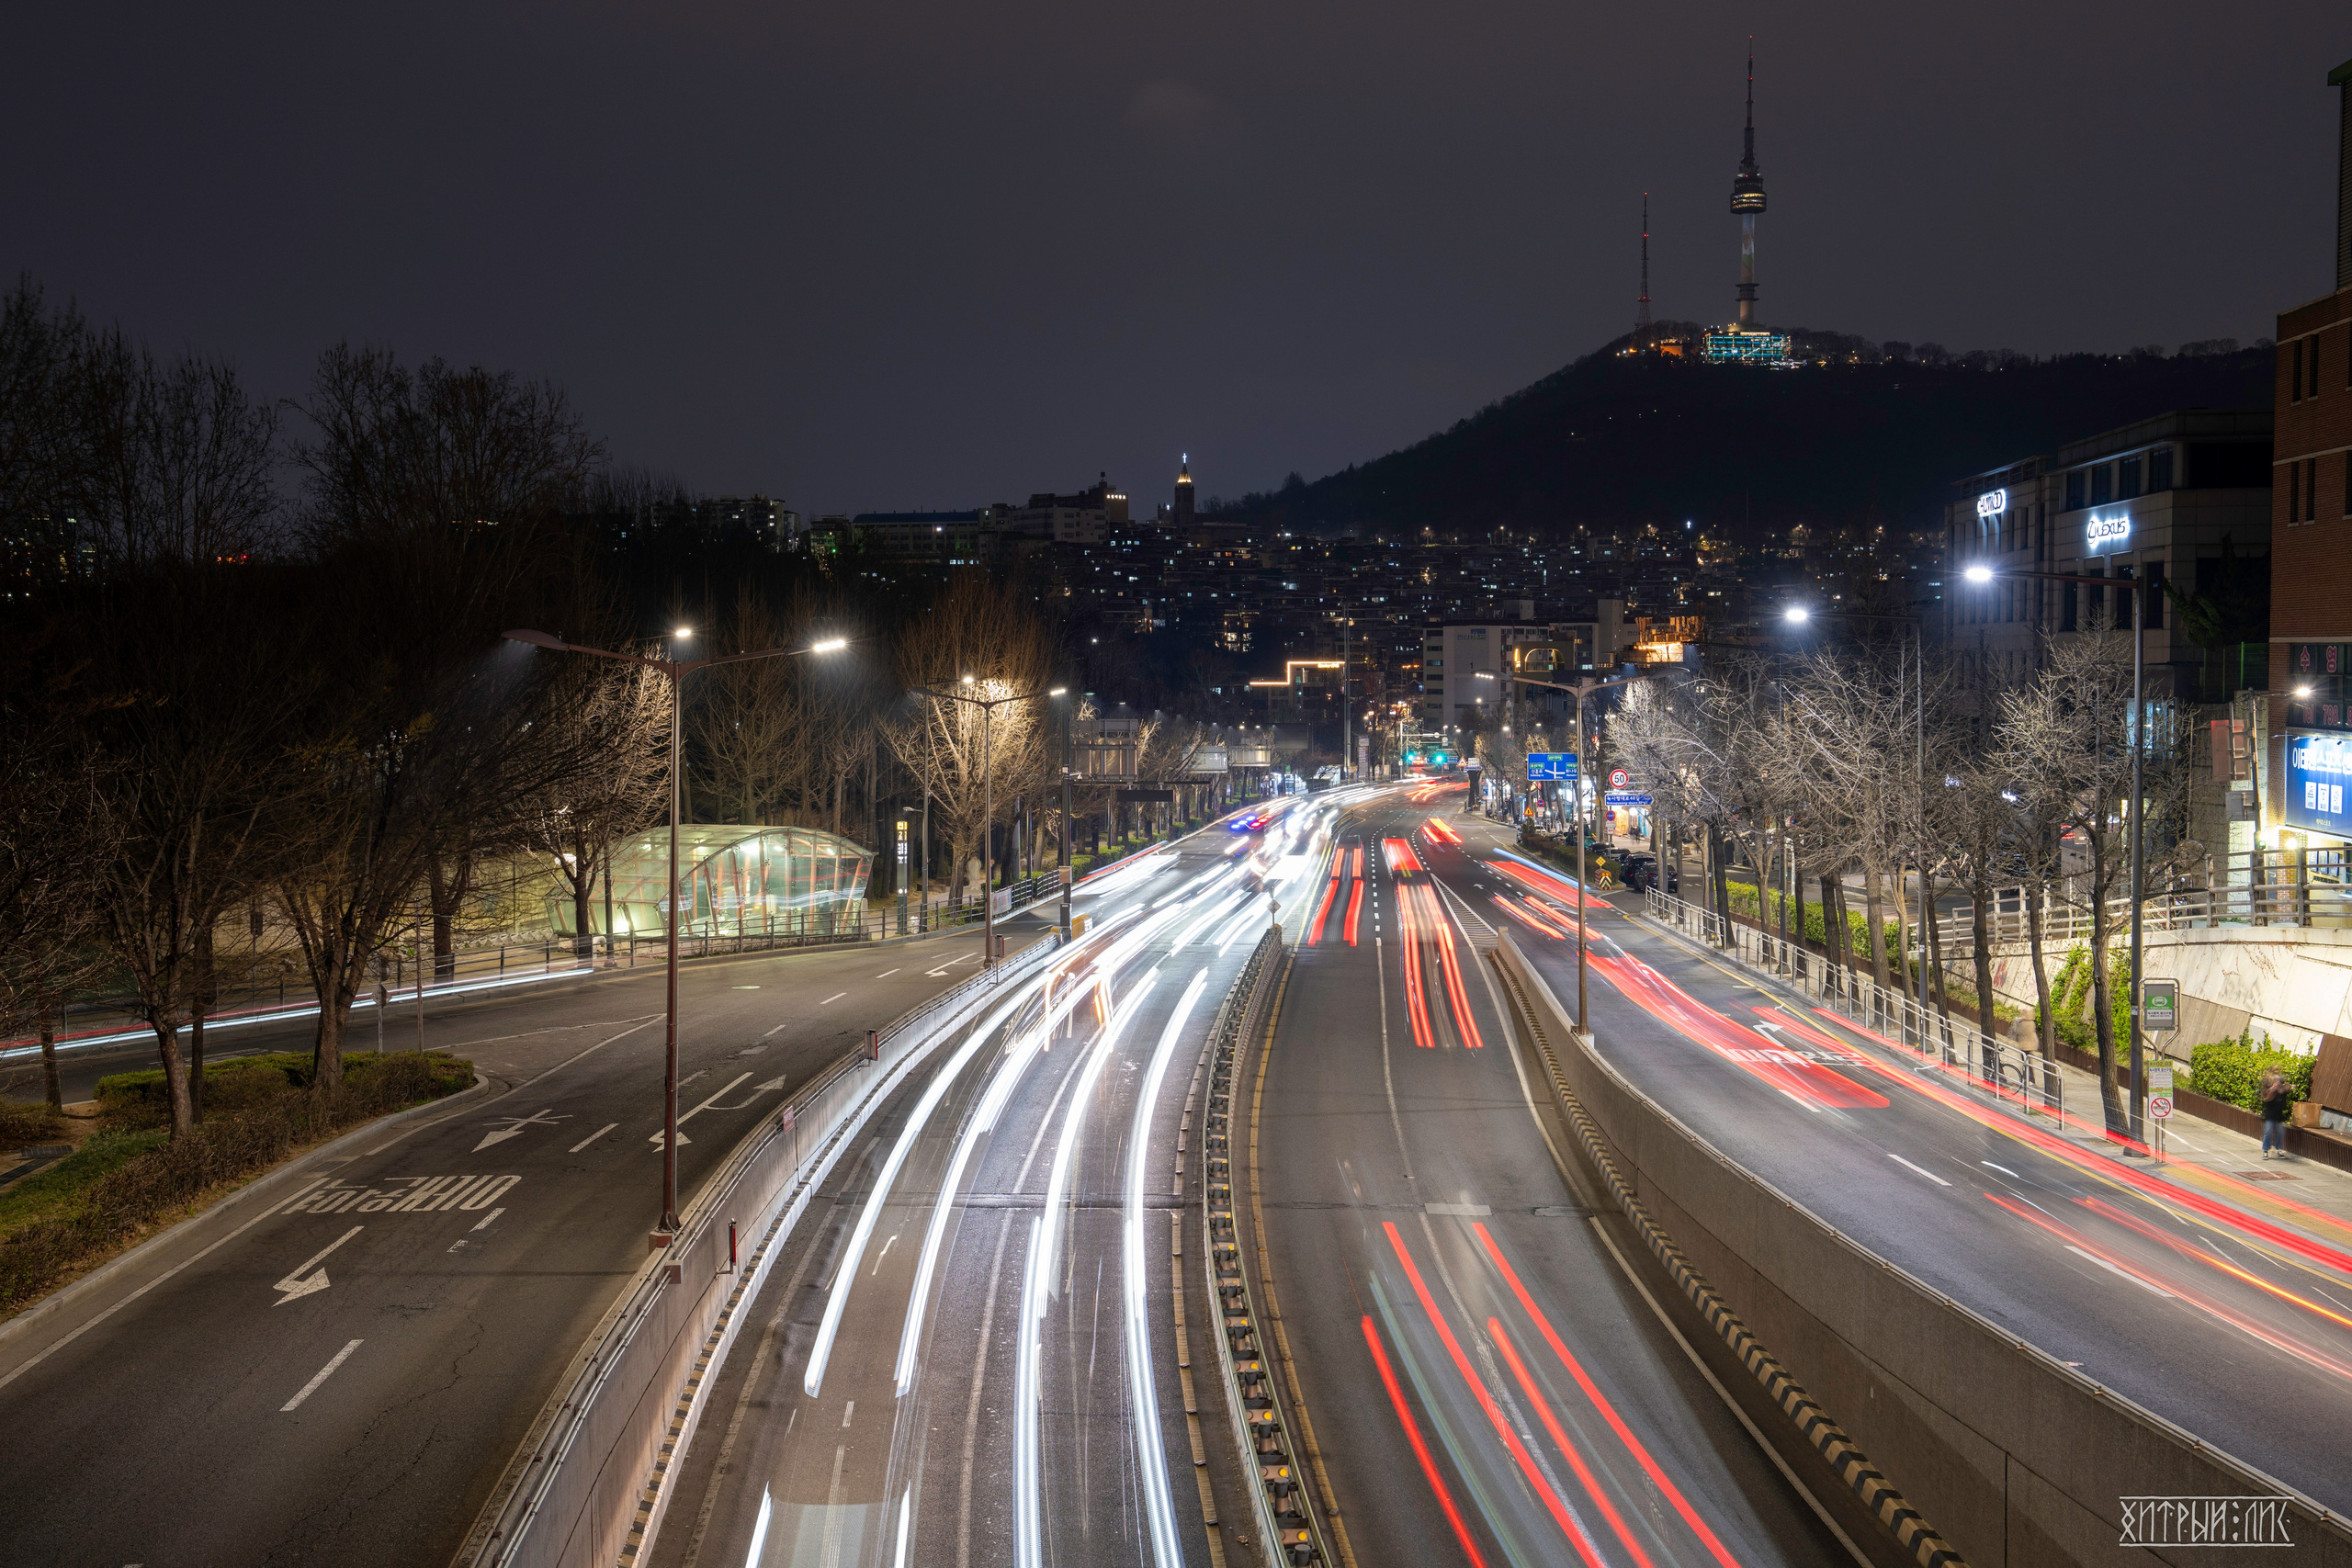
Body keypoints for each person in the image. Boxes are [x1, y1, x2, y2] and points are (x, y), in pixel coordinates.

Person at [2259, 1067, 2294, 1159]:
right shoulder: (2268, 1088)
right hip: (2270, 1114)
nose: (2278, 1082)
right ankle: (2265, 1150)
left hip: (2279, 1114)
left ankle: (2279, 1150)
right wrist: (2273, 1089)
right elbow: (2267, 1098)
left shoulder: (2282, 1089)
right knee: (2268, 1131)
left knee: (2280, 1132)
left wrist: (2286, 1087)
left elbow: (2286, 1089)